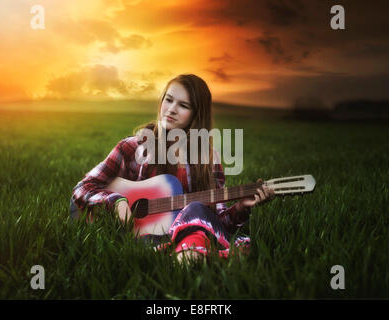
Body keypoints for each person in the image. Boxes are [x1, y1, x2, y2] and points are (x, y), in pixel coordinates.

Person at [70, 74, 275, 263]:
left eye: (183, 105)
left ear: (196, 115)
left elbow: (217, 221)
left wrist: (242, 208)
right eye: (168, 100)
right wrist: (115, 201)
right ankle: (190, 256)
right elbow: (84, 187)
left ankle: (186, 257)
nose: (171, 109)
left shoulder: (208, 159)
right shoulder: (132, 147)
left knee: (196, 210)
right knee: (195, 223)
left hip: (173, 233)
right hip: (132, 236)